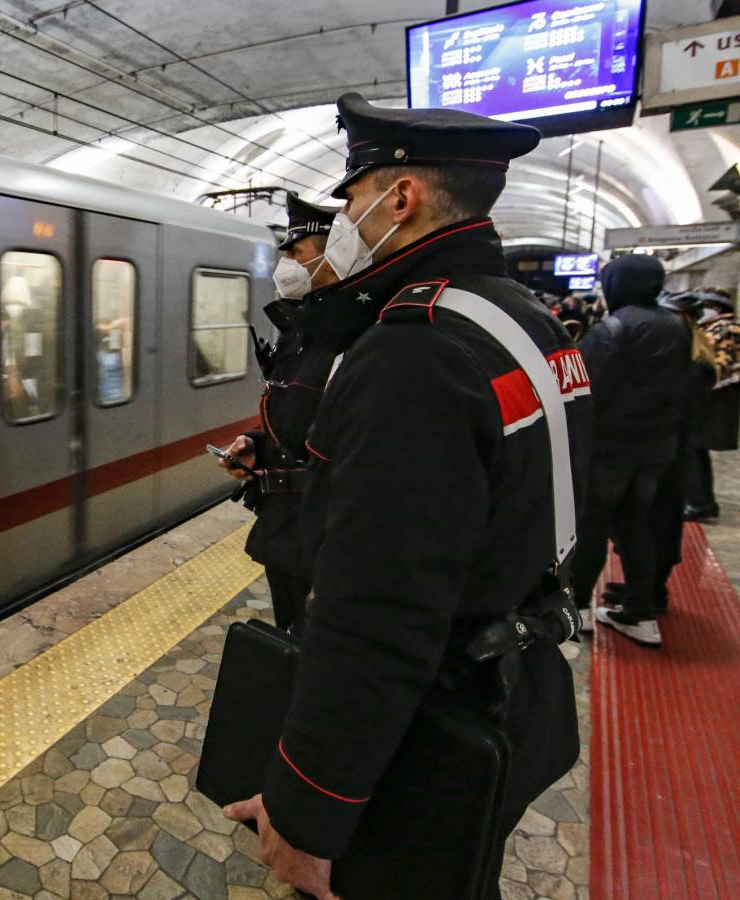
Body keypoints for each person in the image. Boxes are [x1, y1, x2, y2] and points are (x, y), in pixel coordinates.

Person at [222, 93, 592, 900]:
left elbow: (377, 613)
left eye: (350, 198)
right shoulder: (526, 320)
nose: (345, 216)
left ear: (401, 197)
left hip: (429, 719)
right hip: (518, 683)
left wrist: (307, 810)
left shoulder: (414, 352)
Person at [219, 192, 341, 633]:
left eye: (295, 250)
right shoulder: (302, 328)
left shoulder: (357, 336)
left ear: (336, 250)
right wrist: (256, 443)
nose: (284, 260)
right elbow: (297, 412)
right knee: (294, 638)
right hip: (288, 531)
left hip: (327, 538)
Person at [569, 256, 689, 647]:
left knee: (592, 526)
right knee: (636, 524)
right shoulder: (675, 326)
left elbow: (587, 391)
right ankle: (641, 613)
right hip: (657, 447)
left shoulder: (612, 329)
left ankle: (578, 607)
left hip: (609, 447)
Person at [602, 290, 716, 617]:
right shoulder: (691, 356)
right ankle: (643, 586)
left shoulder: (691, 362)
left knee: (655, 520)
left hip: (665, 451)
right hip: (663, 449)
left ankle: (651, 592)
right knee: (643, 519)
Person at [685, 287, 740, 520]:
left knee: (695, 448)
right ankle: (699, 500)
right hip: (712, 396)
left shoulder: (727, 329)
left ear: (716, 308)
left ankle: (700, 503)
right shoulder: (718, 326)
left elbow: (715, 366)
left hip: (715, 397)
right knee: (696, 450)